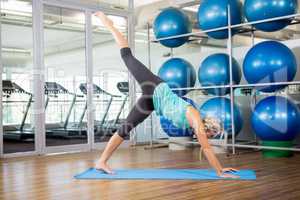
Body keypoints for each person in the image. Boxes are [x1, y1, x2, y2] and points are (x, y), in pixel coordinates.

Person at [94, 12, 239, 179]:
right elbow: (206, 148)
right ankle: (108, 23)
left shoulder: (195, 123)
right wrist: (220, 171)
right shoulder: (196, 118)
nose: (208, 139)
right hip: (155, 87)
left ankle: (101, 161)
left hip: (153, 103)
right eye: (211, 136)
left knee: (125, 128)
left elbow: (204, 145)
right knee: (127, 56)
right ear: (208, 130)